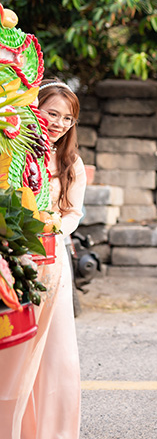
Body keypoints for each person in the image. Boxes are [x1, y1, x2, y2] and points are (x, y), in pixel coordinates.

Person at [0, 80, 84, 439]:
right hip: (15, 260)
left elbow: (73, 213)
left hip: (52, 263)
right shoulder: (14, 152)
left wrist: (51, 228)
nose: (59, 123)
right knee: (16, 352)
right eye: (53, 113)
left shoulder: (71, 163)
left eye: (67, 118)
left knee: (58, 356)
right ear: (35, 110)